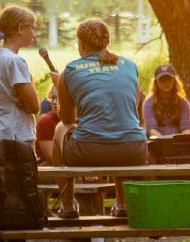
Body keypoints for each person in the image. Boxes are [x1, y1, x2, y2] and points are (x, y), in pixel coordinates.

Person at [55, 18, 148, 216]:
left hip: (89, 151)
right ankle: (122, 204)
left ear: (81, 44)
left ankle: (68, 205)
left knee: (59, 130)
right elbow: (130, 109)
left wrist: (63, 89)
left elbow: (67, 119)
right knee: (121, 127)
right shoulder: (129, 65)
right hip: (134, 150)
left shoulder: (70, 71)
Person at [0, 5, 40, 156]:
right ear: (20, 28)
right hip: (16, 138)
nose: (34, 33)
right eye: (32, 28)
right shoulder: (15, 61)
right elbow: (34, 106)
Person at [142, 64, 190, 137]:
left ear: (174, 81)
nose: (166, 82)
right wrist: (164, 140)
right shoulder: (148, 103)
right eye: (162, 79)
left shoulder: (183, 103)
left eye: (169, 79)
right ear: (156, 82)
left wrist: (179, 140)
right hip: (157, 140)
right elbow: (151, 129)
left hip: (178, 141)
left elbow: (186, 129)